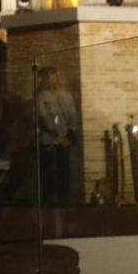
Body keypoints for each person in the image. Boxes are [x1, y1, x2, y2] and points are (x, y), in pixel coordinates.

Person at [35, 66, 79, 205]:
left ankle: (50, 201)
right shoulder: (67, 95)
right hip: (65, 140)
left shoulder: (42, 96)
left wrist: (56, 136)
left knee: (48, 173)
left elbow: (44, 118)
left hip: (50, 140)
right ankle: (63, 199)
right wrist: (68, 135)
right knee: (63, 171)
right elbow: (73, 117)